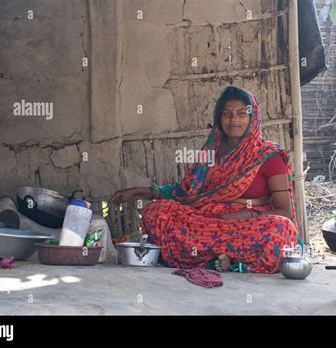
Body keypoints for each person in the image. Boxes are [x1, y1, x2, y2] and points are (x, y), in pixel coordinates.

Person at [109, 86, 298, 273]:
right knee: (156, 212)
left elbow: (285, 211)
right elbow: (184, 192)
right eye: (227, 114)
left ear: (253, 117)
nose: (234, 120)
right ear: (219, 118)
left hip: (247, 224)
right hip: (206, 221)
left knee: (281, 228)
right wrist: (139, 191)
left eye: (241, 113)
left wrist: (246, 215)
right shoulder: (210, 153)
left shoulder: (268, 156)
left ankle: (223, 261)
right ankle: (223, 258)